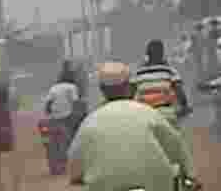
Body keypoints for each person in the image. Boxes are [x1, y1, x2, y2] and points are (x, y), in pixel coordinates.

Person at [68, 61, 194, 191]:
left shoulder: (89, 122)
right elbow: (176, 146)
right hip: (155, 185)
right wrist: (190, 176)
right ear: (130, 87)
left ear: (101, 89)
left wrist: (77, 176)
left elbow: (74, 162)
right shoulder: (149, 113)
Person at [43, 64, 81, 148]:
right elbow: (75, 102)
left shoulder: (54, 87)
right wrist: (77, 114)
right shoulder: (72, 87)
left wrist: (48, 113)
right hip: (67, 115)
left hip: (55, 115)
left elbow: (48, 102)